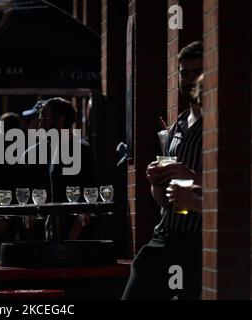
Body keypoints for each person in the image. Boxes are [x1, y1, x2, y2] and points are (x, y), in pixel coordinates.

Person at [122, 41, 204, 300]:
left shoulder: (219, 123)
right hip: (165, 235)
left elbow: (235, 186)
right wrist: (155, 182)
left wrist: (191, 177)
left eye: (197, 73)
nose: (190, 80)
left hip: (198, 240)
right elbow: (161, 199)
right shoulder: (177, 126)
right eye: (185, 73)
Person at [23, 98, 96, 241]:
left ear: (61, 121)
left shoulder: (81, 150)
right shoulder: (44, 150)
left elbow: (88, 197)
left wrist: (70, 240)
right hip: (49, 236)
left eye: (45, 120)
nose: (40, 125)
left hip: (73, 239)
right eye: (40, 119)